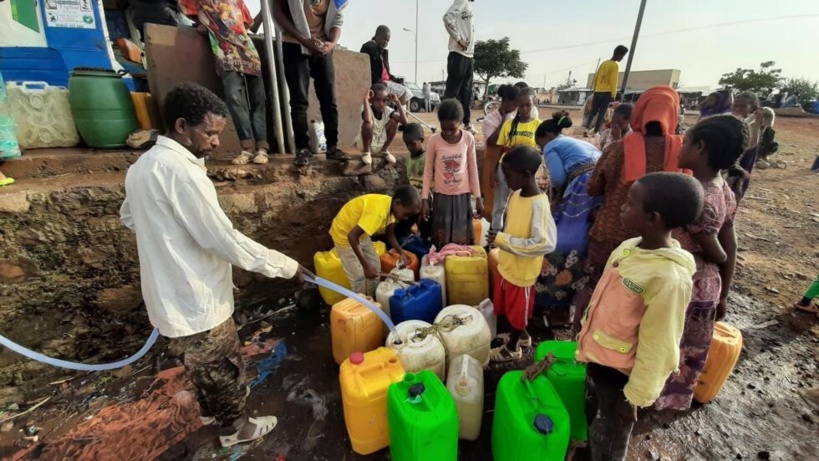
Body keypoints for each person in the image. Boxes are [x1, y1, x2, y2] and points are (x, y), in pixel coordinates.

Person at [119, 83, 310, 447]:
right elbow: (223, 239)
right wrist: (286, 266)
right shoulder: (182, 173)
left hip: (168, 295)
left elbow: (129, 216)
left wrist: (166, 239)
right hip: (196, 294)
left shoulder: (142, 166)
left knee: (200, 363)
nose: (216, 142)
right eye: (209, 133)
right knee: (223, 366)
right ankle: (236, 429)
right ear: (181, 126)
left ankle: (211, 411)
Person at [577, 172, 704, 461]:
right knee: (595, 416)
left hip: (622, 379)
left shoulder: (668, 279)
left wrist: (634, 396)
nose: (621, 207)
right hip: (601, 360)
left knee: (610, 434)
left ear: (652, 218)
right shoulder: (629, 248)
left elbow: (660, 344)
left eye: (629, 203)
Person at [654, 115, 748, 411]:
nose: (679, 146)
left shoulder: (696, 197)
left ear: (701, 148)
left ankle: (647, 396)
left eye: (686, 141)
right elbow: (732, 241)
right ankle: (666, 398)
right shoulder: (723, 188)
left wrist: (715, 259)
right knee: (684, 347)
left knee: (667, 342)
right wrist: (724, 293)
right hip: (707, 286)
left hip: (686, 284)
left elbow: (719, 251)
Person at [578, 86, 688, 331]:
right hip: (655, 242)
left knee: (596, 286)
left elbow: (593, 187)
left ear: (639, 113)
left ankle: (582, 337)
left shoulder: (618, 148)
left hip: (609, 232)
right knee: (638, 298)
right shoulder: (681, 152)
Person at [488, 146, 556, 362]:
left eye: (508, 176)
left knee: (518, 312)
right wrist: (500, 238)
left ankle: (513, 347)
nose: (505, 181)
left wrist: (503, 240)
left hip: (522, 272)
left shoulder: (539, 205)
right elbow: (512, 226)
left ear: (526, 175)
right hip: (508, 264)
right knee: (509, 308)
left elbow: (544, 243)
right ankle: (522, 336)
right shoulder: (516, 195)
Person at [533, 112, 601, 324]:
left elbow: (558, 179)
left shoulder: (552, 146)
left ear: (547, 136)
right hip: (600, 191)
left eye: (540, 145)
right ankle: (572, 303)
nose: (541, 149)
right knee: (584, 240)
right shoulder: (578, 143)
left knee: (562, 242)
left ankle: (553, 300)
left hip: (582, 190)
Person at [273, 0, 351, 166]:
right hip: (294, 44)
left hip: (323, 47)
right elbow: (278, 13)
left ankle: (332, 147)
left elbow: (337, 20)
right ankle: (303, 148)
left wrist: (331, 44)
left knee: (329, 100)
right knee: (299, 101)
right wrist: (305, 40)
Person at [196, 0, 269, 165]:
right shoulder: (203, 3)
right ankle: (247, 148)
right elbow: (198, 24)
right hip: (226, 53)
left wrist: (265, 10)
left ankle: (262, 148)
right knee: (234, 98)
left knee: (257, 99)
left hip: (248, 52)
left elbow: (250, 25)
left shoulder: (238, 3)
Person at [329, 186, 421, 297]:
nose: (406, 218)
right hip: (344, 235)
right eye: (406, 214)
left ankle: (372, 297)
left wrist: (401, 252)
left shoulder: (391, 208)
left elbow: (390, 234)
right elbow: (352, 236)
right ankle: (361, 302)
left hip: (360, 233)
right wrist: (365, 266)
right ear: (397, 203)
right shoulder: (377, 212)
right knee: (358, 276)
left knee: (375, 266)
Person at [421, 99, 484, 248]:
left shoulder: (468, 138)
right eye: (444, 129)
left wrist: (478, 197)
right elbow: (428, 171)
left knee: (460, 239)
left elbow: (473, 169)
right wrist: (424, 199)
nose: (448, 133)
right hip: (441, 197)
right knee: (441, 239)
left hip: (462, 196)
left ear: (461, 122)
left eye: (452, 129)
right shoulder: (434, 141)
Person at [490, 87, 541, 233]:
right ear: (517, 105)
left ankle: (515, 234)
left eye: (528, 105)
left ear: (533, 103)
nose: (524, 109)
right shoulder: (509, 124)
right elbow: (499, 149)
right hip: (506, 169)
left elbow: (539, 150)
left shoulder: (538, 125)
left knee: (522, 203)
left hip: (525, 172)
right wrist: (494, 171)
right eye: (521, 105)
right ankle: (495, 235)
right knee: (500, 203)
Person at [481, 84, 520, 213]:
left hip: (511, 162)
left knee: (511, 200)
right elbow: (492, 141)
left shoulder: (516, 117)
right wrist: (503, 121)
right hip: (493, 162)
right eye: (514, 104)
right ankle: (493, 223)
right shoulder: (490, 119)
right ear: (506, 101)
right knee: (493, 198)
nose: (516, 107)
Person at [443, 0, 476, 134]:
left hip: (468, 55)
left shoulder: (467, 5)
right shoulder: (461, 1)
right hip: (458, 54)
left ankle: (467, 123)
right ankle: (446, 122)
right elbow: (447, 18)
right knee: (452, 92)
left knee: (466, 92)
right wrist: (458, 39)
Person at [354, 84, 408, 165]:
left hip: (380, 144)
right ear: (371, 100)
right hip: (366, 144)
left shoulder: (387, 110)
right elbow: (368, 120)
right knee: (368, 124)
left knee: (394, 122)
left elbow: (405, 122)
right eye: (378, 100)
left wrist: (397, 102)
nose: (381, 104)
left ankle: (384, 150)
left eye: (384, 101)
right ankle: (366, 152)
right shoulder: (365, 108)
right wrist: (365, 99)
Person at [360, 26, 413, 108]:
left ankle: (402, 114)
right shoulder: (369, 47)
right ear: (377, 35)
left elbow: (386, 72)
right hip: (379, 83)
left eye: (387, 41)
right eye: (384, 39)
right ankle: (401, 114)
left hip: (386, 81)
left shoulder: (381, 52)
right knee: (406, 93)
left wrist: (395, 79)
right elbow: (365, 69)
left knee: (407, 93)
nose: (385, 42)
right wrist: (378, 80)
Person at [584, 45, 629, 136]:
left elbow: (597, 77)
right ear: (619, 55)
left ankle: (586, 129)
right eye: (622, 56)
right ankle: (596, 132)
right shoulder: (614, 65)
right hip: (606, 92)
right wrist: (613, 94)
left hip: (597, 91)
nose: (622, 58)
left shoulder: (603, 63)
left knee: (593, 111)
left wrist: (595, 89)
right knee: (602, 113)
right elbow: (613, 81)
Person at [729, 91, 763, 200]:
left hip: (740, 163)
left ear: (752, 107)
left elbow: (751, 145)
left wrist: (757, 120)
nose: (737, 109)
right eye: (735, 105)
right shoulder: (730, 120)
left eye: (743, 106)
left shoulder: (752, 125)